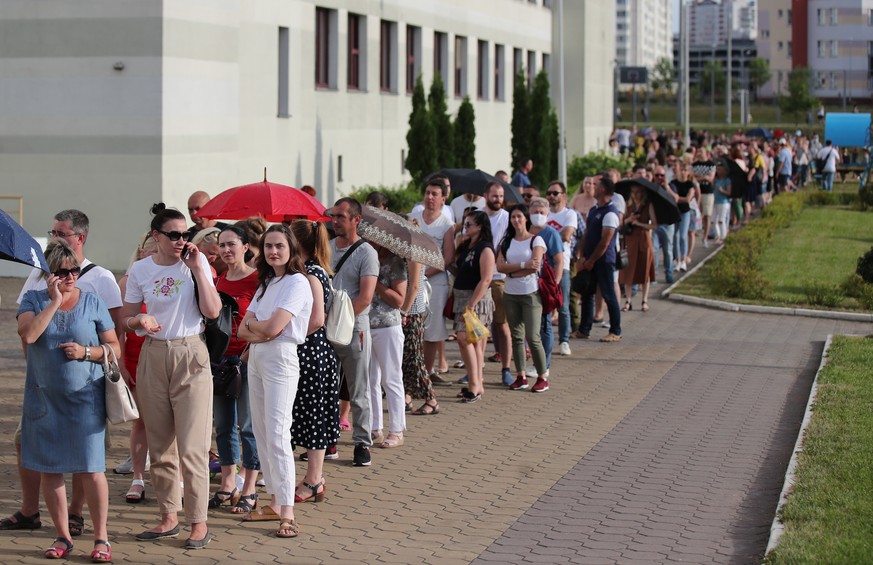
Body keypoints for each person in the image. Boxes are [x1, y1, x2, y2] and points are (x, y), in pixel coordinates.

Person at [3, 209, 123, 540]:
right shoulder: (33, 296)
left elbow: (114, 343)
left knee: (89, 466)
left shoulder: (95, 294)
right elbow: (28, 336)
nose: (71, 277)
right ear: (49, 274)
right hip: (43, 397)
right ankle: (60, 535)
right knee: (49, 468)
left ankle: (96, 532)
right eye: (63, 272)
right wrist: (54, 303)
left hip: (85, 397)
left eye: (74, 271)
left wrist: (87, 352)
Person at [122, 203, 221, 549]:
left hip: (191, 352)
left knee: (193, 446)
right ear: (156, 236)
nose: (181, 240)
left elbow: (212, 311)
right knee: (160, 443)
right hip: (153, 353)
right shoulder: (140, 270)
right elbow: (128, 318)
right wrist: (139, 322)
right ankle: (168, 516)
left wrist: (196, 269)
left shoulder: (196, 263)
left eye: (185, 234)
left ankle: (198, 521)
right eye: (174, 235)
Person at [236, 225, 311, 538]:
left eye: (279, 245)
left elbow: (273, 328)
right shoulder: (267, 283)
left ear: (290, 248)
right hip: (257, 356)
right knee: (263, 433)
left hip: (280, 358)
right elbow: (243, 330)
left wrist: (260, 327)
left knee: (279, 434)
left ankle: (288, 512)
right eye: (268, 246)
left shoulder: (297, 282)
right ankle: (275, 502)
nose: (273, 251)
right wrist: (260, 327)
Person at [209, 226, 261, 514]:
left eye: (232, 244)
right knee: (224, 424)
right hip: (220, 361)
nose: (227, 250)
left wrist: (250, 353)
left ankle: (250, 485)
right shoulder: (217, 281)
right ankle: (228, 482)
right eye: (222, 245)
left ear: (245, 247)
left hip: (246, 359)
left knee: (249, 426)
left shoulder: (258, 280)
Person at [289, 220, 340, 496]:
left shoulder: (311, 274)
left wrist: (290, 335)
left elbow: (317, 318)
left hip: (310, 353)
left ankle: (314, 479)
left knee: (313, 417)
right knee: (311, 415)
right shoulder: (315, 271)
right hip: (315, 353)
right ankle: (313, 478)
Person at [329, 198, 379, 467]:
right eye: (333, 216)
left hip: (353, 329)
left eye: (340, 216)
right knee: (327, 388)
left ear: (356, 219)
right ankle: (328, 440)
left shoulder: (366, 253)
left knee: (358, 389)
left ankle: (362, 443)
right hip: (326, 329)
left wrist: (341, 323)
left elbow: (366, 297)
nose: (334, 221)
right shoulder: (326, 247)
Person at [117, 234, 158, 505]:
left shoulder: (174, 277)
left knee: (169, 423)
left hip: (163, 356)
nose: (154, 255)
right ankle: (138, 477)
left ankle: (171, 477)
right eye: (150, 251)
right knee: (140, 422)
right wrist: (120, 365)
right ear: (141, 252)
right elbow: (119, 327)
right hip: (134, 357)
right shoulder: (127, 281)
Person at [496, 205, 549, 392]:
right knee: (516, 336)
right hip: (511, 293)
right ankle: (521, 375)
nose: (516, 220)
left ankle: (543, 376)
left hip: (530, 293)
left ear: (526, 218)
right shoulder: (506, 242)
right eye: (513, 217)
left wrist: (513, 270)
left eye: (519, 216)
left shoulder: (536, 240)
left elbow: (535, 266)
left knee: (533, 337)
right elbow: (500, 267)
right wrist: (521, 266)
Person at [409, 180, 455, 385]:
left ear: (443, 199)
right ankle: (412, 369)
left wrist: (425, 272)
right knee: (412, 326)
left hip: (435, 282)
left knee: (432, 329)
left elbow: (448, 258)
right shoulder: (413, 218)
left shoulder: (446, 225)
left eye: (434, 194)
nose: (429, 197)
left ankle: (427, 372)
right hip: (412, 281)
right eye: (427, 193)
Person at [448, 210, 495, 403]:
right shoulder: (467, 245)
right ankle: (476, 383)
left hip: (475, 299)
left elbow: (486, 279)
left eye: (469, 224)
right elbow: (459, 269)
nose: (465, 227)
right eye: (464, 223)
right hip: (462, 297)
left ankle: (474, 385)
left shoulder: (485, 248)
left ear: (480, 227)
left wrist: (472, 304)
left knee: (464, 338)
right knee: (472, 341)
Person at [368, 244, 408, 446]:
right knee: (370, 379)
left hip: (388, 326)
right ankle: (375, 426)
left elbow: (399, 300)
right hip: (366, 325)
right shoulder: (368, 258)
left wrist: (377, 284)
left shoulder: (396, 263)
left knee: (391, 378)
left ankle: (397, 429)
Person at [577, 175, 622, 343]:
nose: (592, 188)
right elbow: (586, 235)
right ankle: (584, 329)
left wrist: (592, 261)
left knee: (609, 294)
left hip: (604, 261)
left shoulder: (611, 213)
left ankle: (615, 330)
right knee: (587, 293)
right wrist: (582, 257)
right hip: (590, 260)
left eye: (596, 185)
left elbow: (605, 242)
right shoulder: (594, 210)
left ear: (602, 190)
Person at [528, 197, 564, 373]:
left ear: (548, 214)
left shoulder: (551, 234)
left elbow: (559, 261)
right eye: (535, 212)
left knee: (544, 324)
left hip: (544, 285)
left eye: (542, 213)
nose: (538, 215)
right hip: (525, 283)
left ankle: (544, 365)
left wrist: (554, 285)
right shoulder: (524, 231)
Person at [483, 181, 514, 385]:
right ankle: (476, 369)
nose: (498, 200)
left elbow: (508, 243)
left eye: (501, 196)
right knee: (479, 327)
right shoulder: (478, 215)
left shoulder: (508, 218)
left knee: (502, 325)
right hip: (480, 278)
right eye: (494, 196)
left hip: (499, 278)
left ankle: (506, 368)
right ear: (486, 195)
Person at [545, 181, 576, 356]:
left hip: (561, 264)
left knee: (563, 305)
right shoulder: (543, 212)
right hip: (543, 264)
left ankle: (564, 340)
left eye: (555, 193)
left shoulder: (569, 214)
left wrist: (546, 235)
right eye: (548, 193)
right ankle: (546, 338)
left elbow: (566, 234)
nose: (551, 196)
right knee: (545, 305)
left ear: (563, 196)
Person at [618, 183, 657, 312]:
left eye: (639, 192)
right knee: (628, 271)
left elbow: (655, 225)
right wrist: (630, 219)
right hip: (630, 240)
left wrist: (640, 223)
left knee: (644, 270)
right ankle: (628, 300)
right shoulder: (628, 206)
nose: (636, 195)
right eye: (634, 192)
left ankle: (644, 300)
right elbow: (621, 223)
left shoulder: (648, 205)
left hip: (644, 239)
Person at [669, 162, 697, 272]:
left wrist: (677, 197)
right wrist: (676, 197)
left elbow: (687, 199)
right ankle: (677, 259)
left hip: (685, 211)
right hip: (675, 211)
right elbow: (670, 195)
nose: (683, 172)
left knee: (683, 235)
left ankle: (683, 260)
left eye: (685, 170)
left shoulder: (690, 184)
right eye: (682, 170)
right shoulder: (673, 183)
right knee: (675, 236)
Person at [650, 166, 676, 284]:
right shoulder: (650, 187)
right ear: (653, 176)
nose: (660, 178)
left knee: (668, 250)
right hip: (655, 223)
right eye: (657, 175)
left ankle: (669, 273)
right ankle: (654, 275)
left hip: (668, 223)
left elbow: (675, 198)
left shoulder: (670, 187)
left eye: (662, 175)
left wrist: (666, 187)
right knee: (654, 250)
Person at [713, 161, 732, 245]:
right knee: (714, 220)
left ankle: (723, 237)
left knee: (721, 220)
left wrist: (722, 190)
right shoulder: (716, 180)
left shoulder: (727, 180)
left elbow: (729, 192)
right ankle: (718, 236)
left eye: (720, 170)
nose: (719, 171)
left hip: (723, 202)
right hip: (715, 201)